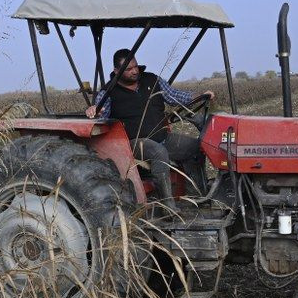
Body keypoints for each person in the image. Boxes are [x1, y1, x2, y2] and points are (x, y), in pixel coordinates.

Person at [86, 49, 213, 210]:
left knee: (196, 147)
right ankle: (168, 206)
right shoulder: (108, 92)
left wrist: (200, 95)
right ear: (117, 71)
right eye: (129, 69)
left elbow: (175, 96)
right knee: (158, 152)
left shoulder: (152, 80)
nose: (134, 71)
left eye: (135, 66)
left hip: (163, 137)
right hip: (134, 143)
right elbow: (101, 111)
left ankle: (196, 199)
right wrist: (94, 110)